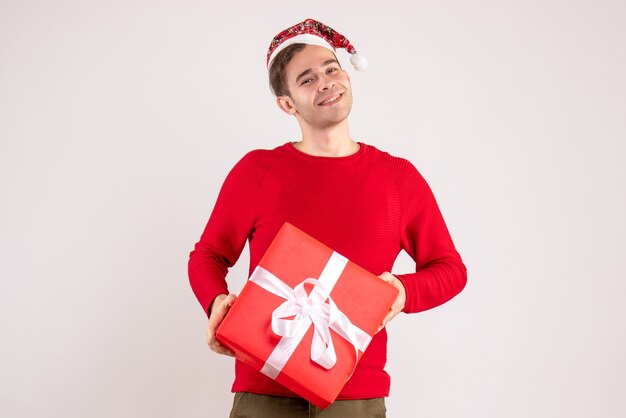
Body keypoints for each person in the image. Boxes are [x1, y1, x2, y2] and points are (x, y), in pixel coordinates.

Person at [188, 18, 467, 417]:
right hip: (264, 388)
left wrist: (402, 292)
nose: (326, 81)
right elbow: (209, 254)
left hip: (356, 395)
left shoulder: (397, 177)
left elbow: (451, 268)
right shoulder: (258, 171)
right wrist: (216, 301)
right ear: (287, 104)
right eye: (307, 78)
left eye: (332, 68)